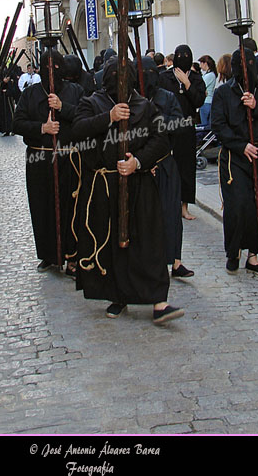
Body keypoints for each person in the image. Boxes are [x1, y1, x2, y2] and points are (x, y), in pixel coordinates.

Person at [70, 56, 185, 325]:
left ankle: (159, 301)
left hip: (140, 184)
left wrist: (138, 161)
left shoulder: (145, 106)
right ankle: (117, 295)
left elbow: (161, 141)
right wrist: (108, 117)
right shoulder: (92, 102)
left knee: (149, 242)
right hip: (105, 185)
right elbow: (77, 131)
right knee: (112, 244)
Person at [210, 48, 258, 278]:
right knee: (239, 205)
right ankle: (234, 252)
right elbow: (218, 125)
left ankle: (254, 255)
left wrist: (256, 107)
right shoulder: (224, 93)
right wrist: (241, 145)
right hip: (236, 157)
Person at [12, 49, 84, 276]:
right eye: (47, 67)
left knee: (70, 207)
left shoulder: (76, 91)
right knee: (43, 207)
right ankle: (49, 254)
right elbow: (17, 123)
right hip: (39, 160)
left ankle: (72, 256)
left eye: (56, 67)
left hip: (69, 158)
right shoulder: (30, 94)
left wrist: (63, 108)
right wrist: (42, 128)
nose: (51, 72)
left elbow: (86, 118)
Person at [138, 56, 194, 279]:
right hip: (141, 166)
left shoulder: (167, 97)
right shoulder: (132, 99)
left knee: (170, 214)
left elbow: (179, 123)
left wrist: (157, 121)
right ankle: (146, 262)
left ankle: (176, 262)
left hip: (165, 162)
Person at [159, 45, 206, 220]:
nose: (183, 58)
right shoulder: (164, 77)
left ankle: (184, 206)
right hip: (167, 128)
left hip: (186, 127)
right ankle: (167, 204)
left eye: (187, 56)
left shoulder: (196, 79)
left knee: (185, 168)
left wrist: (187, 84)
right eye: (180, 56)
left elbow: (198, 101)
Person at [198, 55, 217, 127]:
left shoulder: (209, 75)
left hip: (206, 102)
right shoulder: (210, 75)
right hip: (207, 102)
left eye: (201, 63)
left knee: (205, 125)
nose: (200, 66)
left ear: (205, 63)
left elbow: (201, 86)